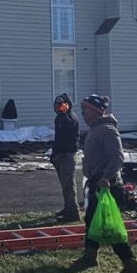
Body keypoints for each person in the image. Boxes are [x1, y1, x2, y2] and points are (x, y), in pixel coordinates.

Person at [73, 94, 137, 273]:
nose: (83, 114)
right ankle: (90, 257)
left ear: (96, 111)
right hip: (96, 184)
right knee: (91, 221)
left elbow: (117, 157)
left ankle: (132, 266)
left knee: (110, 229)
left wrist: (106, 177)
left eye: (86, 110)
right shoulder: (95, 130)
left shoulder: (107, 130)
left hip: (108, 186)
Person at [50, 93, 80, 222]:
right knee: (64, 184)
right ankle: (67, 207)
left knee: (69, 184)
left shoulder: (70, 118)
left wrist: (64, 112)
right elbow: (58, 138)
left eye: (61, 104)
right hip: (60, 154)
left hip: (68, 155)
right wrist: (54, 153)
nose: (58, 107)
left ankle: (73, 212)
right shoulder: (59, 118)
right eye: (57, 105)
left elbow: (67, 127)